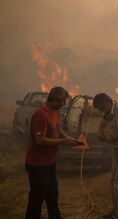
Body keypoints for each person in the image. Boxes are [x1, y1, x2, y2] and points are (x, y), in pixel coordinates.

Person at [25, 86, 78, 219]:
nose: (64, 104)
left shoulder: (55, 112)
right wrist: (61, 141)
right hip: (37, 163)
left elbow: (58, 128)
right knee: (38, 197)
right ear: (54, 100)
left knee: (52, 194)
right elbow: (40, 140)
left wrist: (66, 138)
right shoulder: (40, 115)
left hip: (49, 161)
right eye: (62, 102)